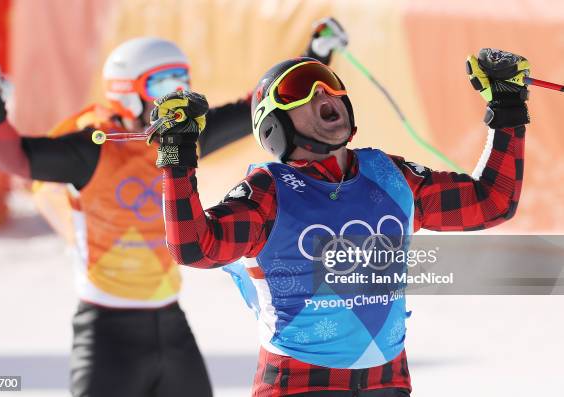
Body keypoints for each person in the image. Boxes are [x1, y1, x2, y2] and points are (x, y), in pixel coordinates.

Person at [0, 18, 348, 397]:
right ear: (126, 92)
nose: (176, 94)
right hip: (106, 329)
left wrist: (312, 58)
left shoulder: (184, 138)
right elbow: (18, 157)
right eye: (162, 84)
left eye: (182, 81)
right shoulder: (92, 149)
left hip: (170, 324)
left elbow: (254, 108)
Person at [146, 48, 529, 396]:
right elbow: (195, 246)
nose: (323, 95)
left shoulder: (392, 176)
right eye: (300, 90)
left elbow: (492, 201)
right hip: (299, 384)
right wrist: (177, 154)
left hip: (387, 382)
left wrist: (508, 106)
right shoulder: (269, 191)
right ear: (273, 124)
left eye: (329, 85)